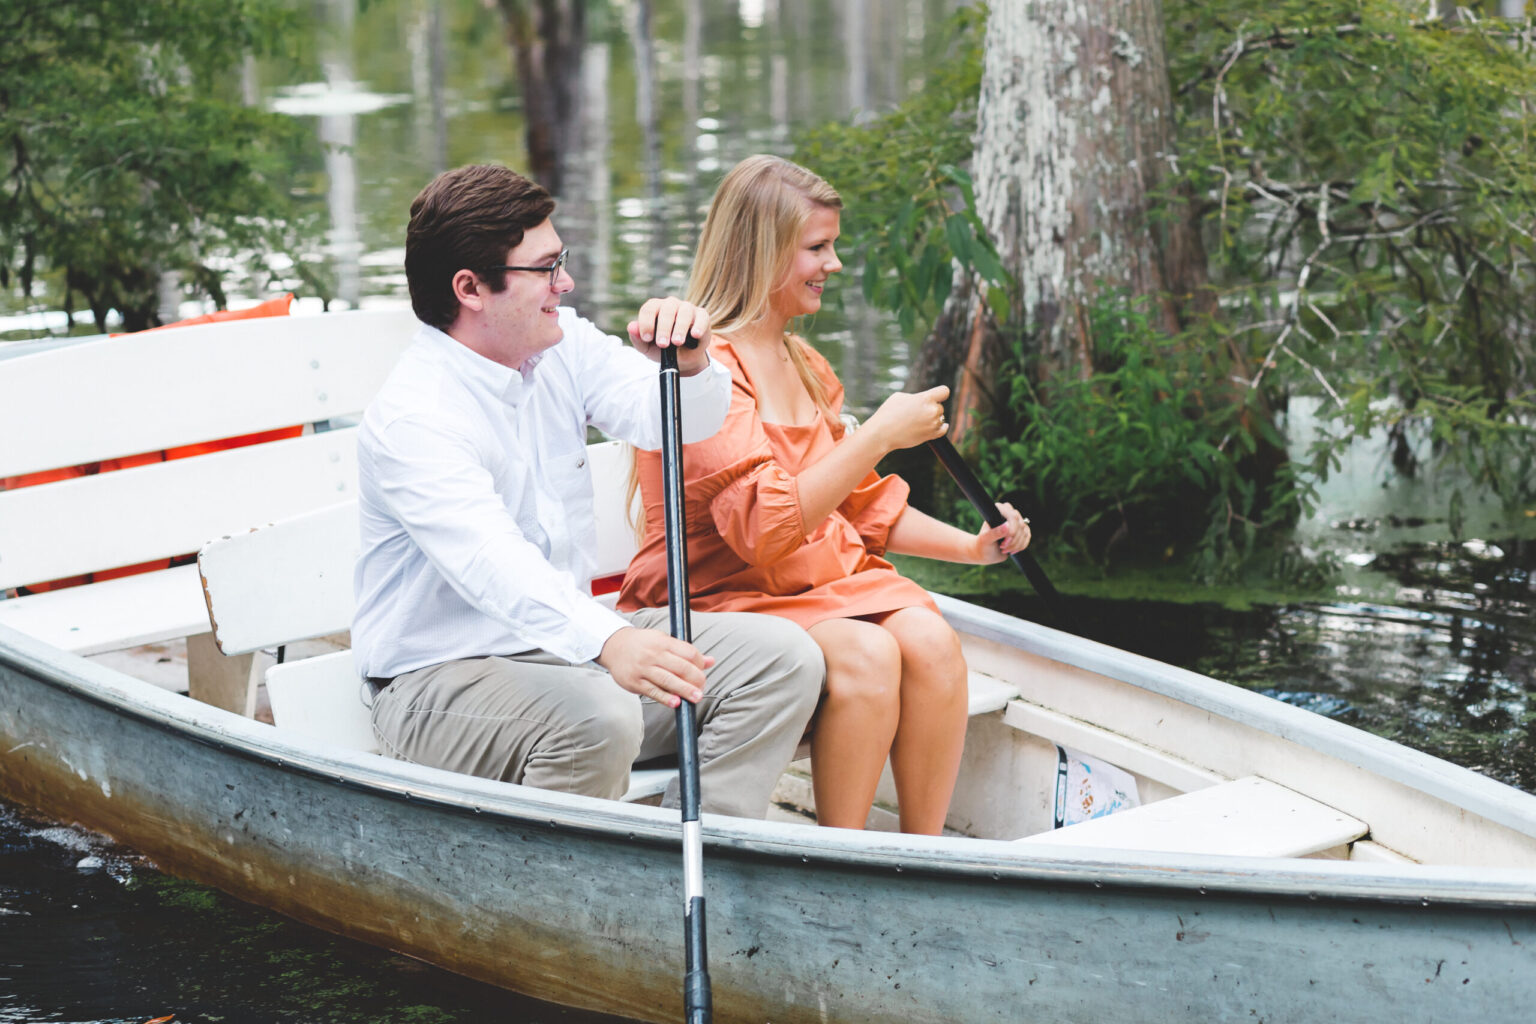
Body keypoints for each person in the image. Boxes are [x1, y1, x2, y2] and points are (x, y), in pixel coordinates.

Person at [351, 164, 824, 819]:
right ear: (471, 288)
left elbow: (674, 420)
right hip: (439, 680)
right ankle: (557, 903)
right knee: (599, 716)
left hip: (566, 647)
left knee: (782, 661)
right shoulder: (418, 417)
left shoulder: (561, 344)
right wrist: (609, 642)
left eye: (561, 262)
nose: (565, 283)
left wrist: (690, 362)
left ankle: (694, 864)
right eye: (545, 268)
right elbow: (494, 562)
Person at [618, 155, 1031, 835]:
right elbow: (761, 531)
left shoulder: (807, 366)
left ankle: (918, 856)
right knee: (870, 654)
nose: (833, 264)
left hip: (801, 590)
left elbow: (859, 504)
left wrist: (972, 546)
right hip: (721, 597)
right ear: (762, 252)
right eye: (817, 247)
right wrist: (878, 436)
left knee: (930, 640)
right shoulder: (705, 370)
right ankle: (845, 858)